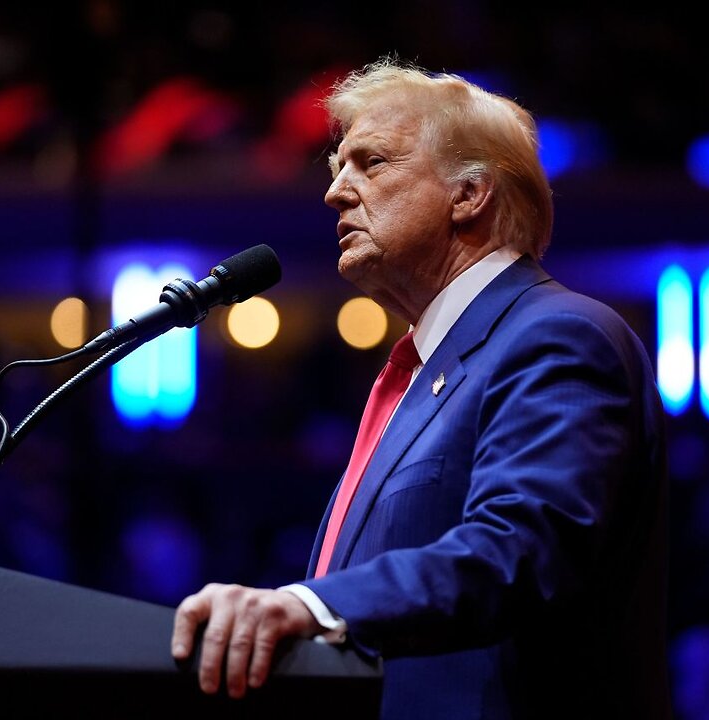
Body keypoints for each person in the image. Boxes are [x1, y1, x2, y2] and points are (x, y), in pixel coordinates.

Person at [171, 59, 671, 719]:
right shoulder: (429, 366)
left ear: (470, 194)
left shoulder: (558, 338)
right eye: (335, 168)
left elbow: (515, 552)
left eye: (370, 163)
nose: (335, 193)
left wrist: (313, 605)